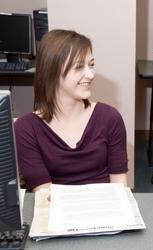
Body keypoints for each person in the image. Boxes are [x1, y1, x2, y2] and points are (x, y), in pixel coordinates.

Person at [14, 29, 128, 192]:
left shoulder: (110, 117)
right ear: (51, 72)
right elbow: (44, 193)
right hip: (58, 211)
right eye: (79, 67)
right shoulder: (26, 129)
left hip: (104, 208)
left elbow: (119, 183)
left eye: (91, 65)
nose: (90, 74)